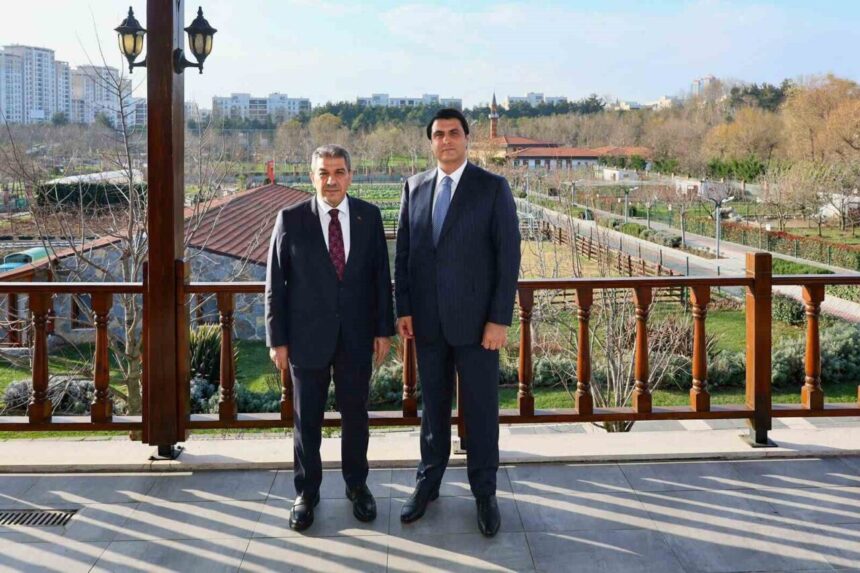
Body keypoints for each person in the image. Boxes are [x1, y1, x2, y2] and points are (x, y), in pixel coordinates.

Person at [394, 108, 520, 537]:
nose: (446, 140)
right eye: (438, 135)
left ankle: (485, 492)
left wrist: (499, 320)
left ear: (467, 139)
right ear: (430, 142)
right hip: (428, 325)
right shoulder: (414, 188)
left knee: (482, 410)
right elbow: (405, 257)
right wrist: (404, 308)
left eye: (453, 133)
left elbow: (508, 258)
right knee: (432, 410)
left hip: (478, 327)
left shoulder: (492, 188)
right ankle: (427, 483)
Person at [265, 144, 394, 532]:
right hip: (306, 339)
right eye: (324, 172)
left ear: (350, 175)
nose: (332, 180)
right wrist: (277, 340)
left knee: (356, 416)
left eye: (339, 172)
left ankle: (358, 486)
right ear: (312, 177)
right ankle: (306, 493)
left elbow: (379, 280)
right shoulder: (290, 219)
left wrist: (382, 330)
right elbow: (275, 283)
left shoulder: (369, 217)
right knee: (307, 421)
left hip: (357, 337)